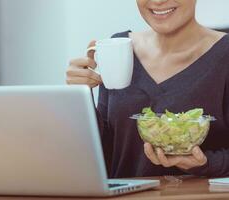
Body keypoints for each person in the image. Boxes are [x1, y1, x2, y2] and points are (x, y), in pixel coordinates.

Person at [66, 0, 229, 178]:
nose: (158, 1)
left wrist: (205, 163)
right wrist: (79, 97)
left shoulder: (224, 55)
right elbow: (105, 152)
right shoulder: (118, 49)